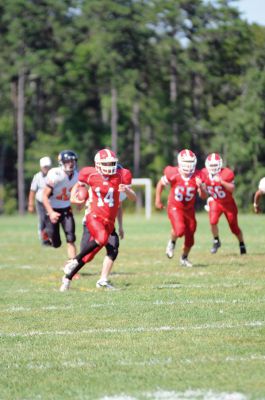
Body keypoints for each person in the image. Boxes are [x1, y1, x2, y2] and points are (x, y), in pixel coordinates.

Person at [60, 148, 136, 292]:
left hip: (109, 221)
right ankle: (74, 261)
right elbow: (80, 184)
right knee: (96, 245)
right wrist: (74, 196)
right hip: (94, 217)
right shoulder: (90, 174)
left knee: (112, 248)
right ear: (98, 164)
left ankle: (100, 280)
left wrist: (126, 190)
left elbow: (130, 200)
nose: (109, 167)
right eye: (106, 164)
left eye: (111, 163)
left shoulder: (120, 176)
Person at [71, 176, 132, 289]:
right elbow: (80, 185)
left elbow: (119, 206)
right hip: (92, 222)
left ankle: (103, 279)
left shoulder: (115, 186)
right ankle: (68, 275)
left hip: (108, 224)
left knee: (113, 248)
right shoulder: (95, 179)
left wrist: (120, 226)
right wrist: (76, 198)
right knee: (86, 256)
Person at [155, 149, 204, 267]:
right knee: (180, 230)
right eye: (185, 162)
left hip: (189, 209)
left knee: (190, 238)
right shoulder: (173, 173)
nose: (187, 165)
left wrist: (201, 187)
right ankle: (172, 242)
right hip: (175, 206)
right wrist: (157, 200)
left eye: (190, 162)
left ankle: (184, 258)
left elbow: (203, 196)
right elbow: (161, 184)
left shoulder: (198, 175)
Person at [200, 153, 246, 255]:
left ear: (220, 164)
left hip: (228, 203)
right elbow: (204, 193)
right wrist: (200, 187)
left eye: (215, 165)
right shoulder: (203, 174)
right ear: (207, 165)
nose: (213, 167)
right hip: (215, 201)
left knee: (234, 227)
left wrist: (222, 182)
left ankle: (241, 243)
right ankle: (216, 241)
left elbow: (232, 188)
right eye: (211, 165)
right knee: (213, 221)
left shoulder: (226, 173)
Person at [42, 150, 79, 259]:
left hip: (66, 209)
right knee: (56, 243)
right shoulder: (55, 174)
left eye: (72, 161)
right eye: (67, 161)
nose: (70, 164)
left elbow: (80, 191)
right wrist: (51, 212)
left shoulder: (77, 175)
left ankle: (72, 267)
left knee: (71, 238)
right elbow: (44, 196)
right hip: (52, 209)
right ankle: (47, 233)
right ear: (61, 162)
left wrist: (80, 202)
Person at [28, 156, 52, 246]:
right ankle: (44, 240)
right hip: (41, 202)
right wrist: (30, 204)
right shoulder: (37, 177)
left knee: (51, 221)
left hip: (51, 202)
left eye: (47, 167)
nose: (46, 169)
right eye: (44, 167)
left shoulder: (53, 175)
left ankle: (50, 238)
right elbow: (32, 191)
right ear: (41, 167)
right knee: (42, 220)